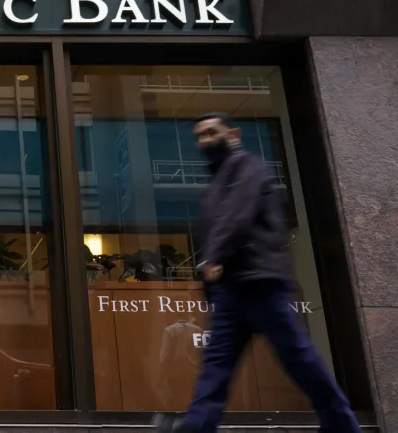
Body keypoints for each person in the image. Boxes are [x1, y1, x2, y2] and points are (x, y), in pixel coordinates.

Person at [154, 113, 361, 433]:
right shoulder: (214, 186)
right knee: (216, 367)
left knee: (298, 358)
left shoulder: (249, 167)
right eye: (200, 136)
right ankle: (196, 427)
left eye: (212, 132)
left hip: (261, 284)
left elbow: (239, 214)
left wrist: (213, 257)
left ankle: (342, 425)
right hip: (230, 291)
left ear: (233, 134)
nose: (205, 140)